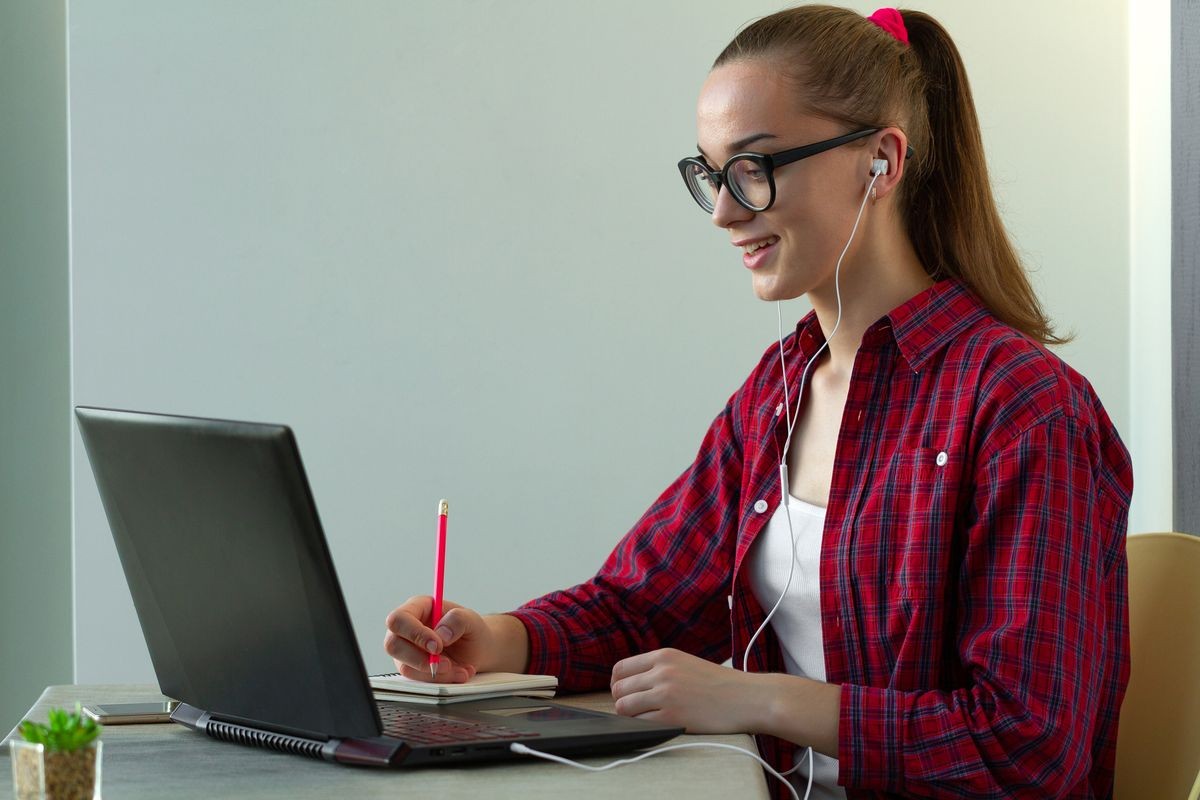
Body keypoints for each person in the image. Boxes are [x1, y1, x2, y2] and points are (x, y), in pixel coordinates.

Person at [383, 6, 1133, 799]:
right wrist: (496, 639)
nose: (724, 211)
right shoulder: (778, 391)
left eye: (754, 167)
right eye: (711, 173)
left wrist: (757, 699)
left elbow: (1024, 747)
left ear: (881, 161)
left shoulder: (1025, 410)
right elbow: (646, 604)